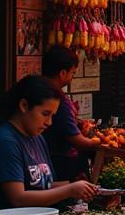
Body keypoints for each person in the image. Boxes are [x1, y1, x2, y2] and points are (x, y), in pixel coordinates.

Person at [0, 76, 98, 215]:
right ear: (24, 105)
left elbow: (42, 184)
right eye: (45, 114)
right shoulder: (5, 142)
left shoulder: (37, 138)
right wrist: (69, 190)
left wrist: (78, 187)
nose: (49, 122)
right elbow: (18, 198)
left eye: (52, 116)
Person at [41, 46, 99, 181]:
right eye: (73, 73)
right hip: (61, 161)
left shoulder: (46, 91)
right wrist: (98, 143)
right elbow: (76, 140)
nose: (48, 122)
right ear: (62, 73)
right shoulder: (56, 99)